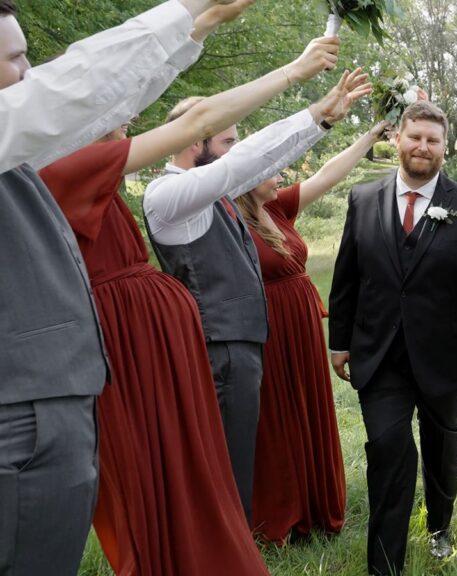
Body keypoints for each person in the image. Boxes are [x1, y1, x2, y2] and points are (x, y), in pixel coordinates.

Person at [37, 31, 339, 574]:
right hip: (159, 343)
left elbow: (241, 165)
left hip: (177, 340)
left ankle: (220, 549)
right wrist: (293, 78)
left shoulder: (125, 179)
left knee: (209, 467)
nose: (128, 114)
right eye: (217, 137)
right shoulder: (154, 189)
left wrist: (317, 122)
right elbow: (230, 162)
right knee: (195, 467)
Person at [0, 1, 241, 573]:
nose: (30, 73)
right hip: (24, 414)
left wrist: (199, 23)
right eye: (16, 58)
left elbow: (82, 104)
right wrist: (190, 11)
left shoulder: (23, 157)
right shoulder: (38, 146)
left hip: (60, 393)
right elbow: (70, 93)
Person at [143, 69, 372, 522]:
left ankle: (233, 546)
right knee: (226, 462)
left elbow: (260, 164)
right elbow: (245, 162)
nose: (235, 150)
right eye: (227, 140)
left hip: (241, 342)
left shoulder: (211, 189)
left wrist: (322, 124)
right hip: (219, 344)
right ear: (195, 142)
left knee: (237, 458)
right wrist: (312, 111)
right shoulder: (169, 193)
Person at [327, 101, 457, 576]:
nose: (423, 147)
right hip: (379, 355)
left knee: (441, 443)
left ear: (444, 148)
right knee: (389, 449)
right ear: (398, 139)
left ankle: (441, 522)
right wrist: (339, 340)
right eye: (415, 137)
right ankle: (385, 566)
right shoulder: (362, 199)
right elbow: (347, 277)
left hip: (443, 356)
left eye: (433, 140)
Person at [237, 121, 389, 544]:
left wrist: (369, 137)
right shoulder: (228, 215)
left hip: (301, 326)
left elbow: (327, 175)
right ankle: (278, 513)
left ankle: (313, 502)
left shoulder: (276, 208)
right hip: (267, 328)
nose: (281, 175)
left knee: (305, 409)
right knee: (277, 415)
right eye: (272, 169)